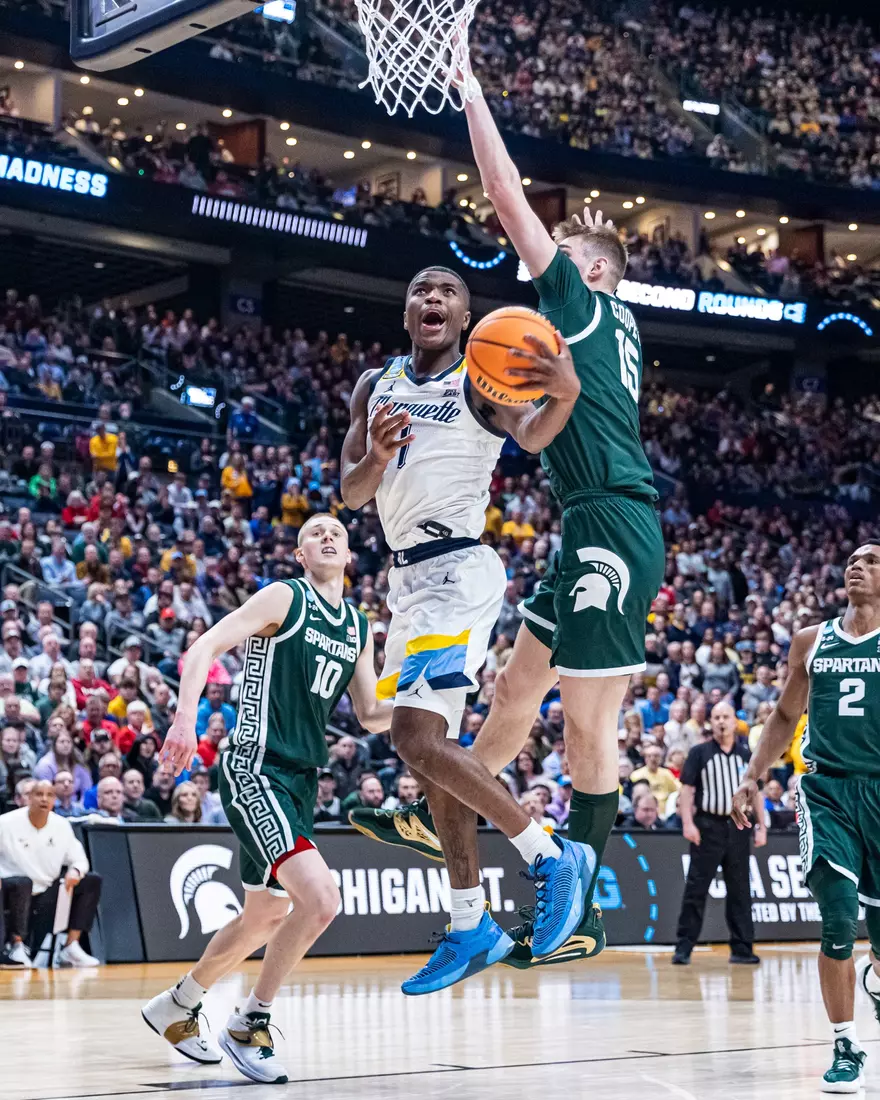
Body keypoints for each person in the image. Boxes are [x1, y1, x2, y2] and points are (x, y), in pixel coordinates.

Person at [347, 65, 665, 971]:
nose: (546, 256)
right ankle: (442, 811)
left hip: (615, 522)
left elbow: (501, 191)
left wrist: (471, 92)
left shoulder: (581, 301)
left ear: (592, 268)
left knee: (586, 730)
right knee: (516, 696)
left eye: (564, 248)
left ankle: (578, 893)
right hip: (585, 524)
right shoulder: (605, 333)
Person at [341, 264, 593, 994]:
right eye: (420, 288)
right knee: (431, 755)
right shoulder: (373, 385)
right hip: (406, 584)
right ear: (406, 308)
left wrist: (567, 389)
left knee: (413, 738)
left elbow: (536, 432)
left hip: (459, 571)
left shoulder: (479, 381)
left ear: (465, 316)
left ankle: (549, 855)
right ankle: (468, 923)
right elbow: (350, 493)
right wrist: (379, 456)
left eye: (447, 291)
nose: (432, 298)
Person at [143, 514, 392, 1085]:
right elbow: (204, 646)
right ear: (301, 555)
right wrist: (185, 718)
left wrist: (429, 694)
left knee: (265, 914)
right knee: (323, 900)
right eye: (314, 533)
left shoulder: (358, 624)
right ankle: (248, 1022)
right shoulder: (285, 596)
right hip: (255, 766)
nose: (327, 536)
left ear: (350, 556)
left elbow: (371, 714)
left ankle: (178, 1006)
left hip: (301, 780)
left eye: (337, 533)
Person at [732, 541, 880, 1093]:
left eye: (872, 560)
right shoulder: (811, 641)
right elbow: (786, 714)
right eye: (852, 559)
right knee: (838, 918)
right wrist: (752, 776)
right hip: (827, 792)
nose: (857, 565)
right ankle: (845, 1042)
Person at [673, 702, 765, 968]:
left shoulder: (747, 754)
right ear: (710, 723)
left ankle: (742, 949)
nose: (721, 722)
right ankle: (684, 948)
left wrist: (762, 826)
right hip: (707, 826)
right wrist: (688, 824)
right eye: (716, 717)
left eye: (726, 717)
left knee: (740, 891)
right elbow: (687, 791)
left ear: (735, 721)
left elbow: (755, 792)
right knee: (696, 889)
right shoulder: (699, 753)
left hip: (738, 828)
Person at [0, 779, 101, 966]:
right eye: (39, 794)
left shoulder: (61, 825)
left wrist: (75, 871)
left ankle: (71, 946)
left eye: (49, 795)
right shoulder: (6, 823)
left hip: (46, 890)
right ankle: (16, 946)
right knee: (23, 882)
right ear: (29, 798)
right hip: (11, 889)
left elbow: (79, 859)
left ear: (55, 800)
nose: (44, 799)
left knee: (91, 881)